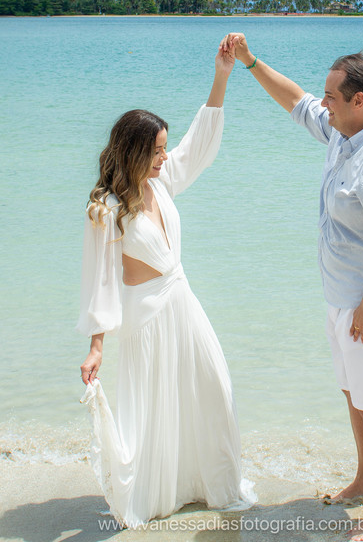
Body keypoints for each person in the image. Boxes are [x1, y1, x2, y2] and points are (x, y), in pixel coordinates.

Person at [221, 33, 363, 542]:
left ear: (360, 101)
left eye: (332, 96)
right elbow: (295, 100)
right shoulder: (342, 132)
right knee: (355, 395)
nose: (323, 104)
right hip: (344, 297)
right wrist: (250, 62)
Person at [76, 42, 256, 528]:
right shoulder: (107, 209)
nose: (163, 158)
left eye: (162, 150)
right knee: (154, 414)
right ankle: (159, 495)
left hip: (183, 304)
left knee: (213, 389)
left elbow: (198, 146)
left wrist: (222, 76)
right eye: (155, 151)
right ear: (134, 152)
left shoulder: (160, 182)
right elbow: (101, 283)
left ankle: (207, 484)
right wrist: (96, 347)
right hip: (145, 317)